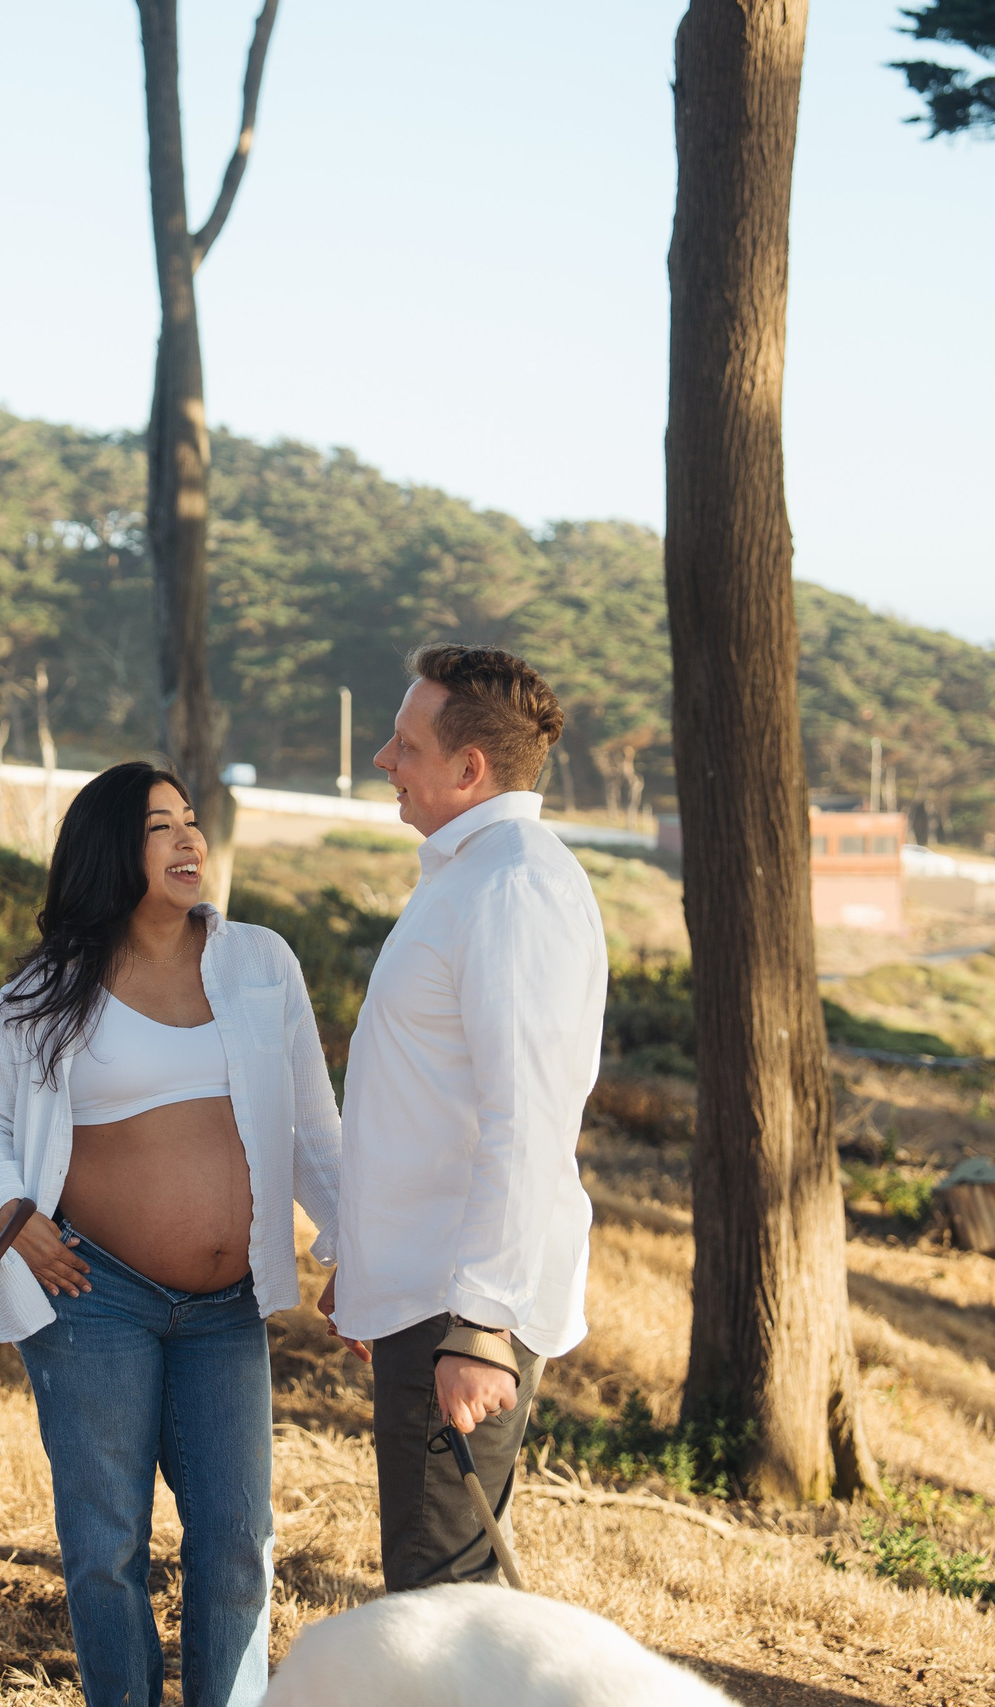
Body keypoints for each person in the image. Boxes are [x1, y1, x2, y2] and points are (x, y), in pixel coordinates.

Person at [0, 760, 342, 1707]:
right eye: (161, 825)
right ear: (112, 849)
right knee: (106, 1546)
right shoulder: (50, 986)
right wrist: (14, 1213)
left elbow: (315, 1130)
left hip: (226, 1306)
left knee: (239, 1541)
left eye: (192, 821)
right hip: (96, 1296)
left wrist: (354, 1254)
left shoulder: (260, 963)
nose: (188, 839)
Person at [317, 643, 605, 1592]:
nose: (383, 761)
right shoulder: (467, 875)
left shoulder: (513, 886)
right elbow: (426, 1101)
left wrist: (480, 1325)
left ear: (468, 768)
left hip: (461, 1303)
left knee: (445, 1602)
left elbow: (526, 1117)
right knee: (434, 1589)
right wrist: (364, 1259)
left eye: (404, 744)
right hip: (427, 1290)